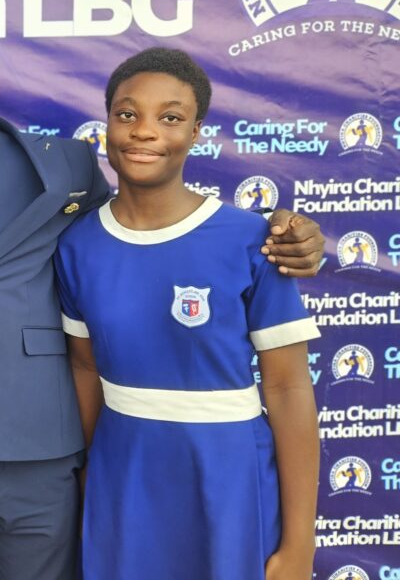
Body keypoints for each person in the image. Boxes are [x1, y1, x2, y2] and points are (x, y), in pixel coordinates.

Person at [0, 23, 325, 580]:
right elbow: (89, 349)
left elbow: (285, 382)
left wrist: (293, 234)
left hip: (77, 447)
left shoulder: (68, 168)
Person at [58, 47, 319, 579]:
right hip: (124, 474)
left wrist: (300, 545)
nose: (144, 131)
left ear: (196, 132)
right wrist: (90, 479)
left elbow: (289, 388)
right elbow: (84, 368)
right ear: (106, 124)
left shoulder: (253, 239)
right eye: (127, 114)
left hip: (228, 476)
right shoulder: (77, 244)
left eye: (170, 117)